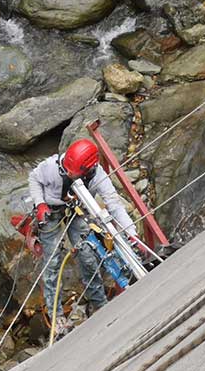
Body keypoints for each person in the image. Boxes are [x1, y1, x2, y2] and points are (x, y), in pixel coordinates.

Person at [28, 138, 140, 330]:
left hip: (77, 209)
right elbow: (34, 178)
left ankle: (99, 304)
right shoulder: (52, 167)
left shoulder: (97, 177)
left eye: (73, 172)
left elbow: (113, 204)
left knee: (87, 253)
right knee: (53, 260)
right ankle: (56, 314)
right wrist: (40, 204)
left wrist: (131, 232)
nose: (68, 173)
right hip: (50, 212)